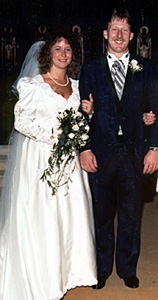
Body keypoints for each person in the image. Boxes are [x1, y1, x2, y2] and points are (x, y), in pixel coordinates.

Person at [0, 29, 97, 300]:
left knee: (68, 214)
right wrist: (54, 136)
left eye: (67, 49)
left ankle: (66, 272)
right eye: (58, 49)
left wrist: (88, 113)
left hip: (69, 163)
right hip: (40, 158)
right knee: (42, 215)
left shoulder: (78, 86)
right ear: (47, 54)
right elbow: (21, 122)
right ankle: (44, 274)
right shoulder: (33, 85)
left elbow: (81, 123)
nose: (63, 54)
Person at [79, 8, 158, 290]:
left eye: (124, 30)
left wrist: (155, 148)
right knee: (100, 214)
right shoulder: (90, 69)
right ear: (105, 34)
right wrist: (84, 148)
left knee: (131, 214)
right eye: (114, 29)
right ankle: (100, 269)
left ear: (133, 36)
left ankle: (127, 267)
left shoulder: (147, 68)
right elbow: (80, 113)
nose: (119, 35)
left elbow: (156, 111)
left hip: (135, 153)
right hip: (101, 153)